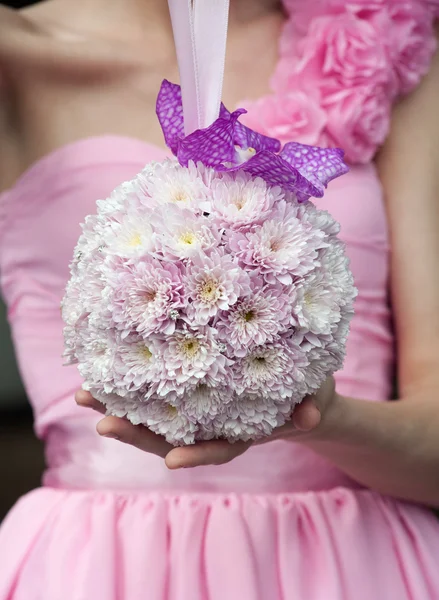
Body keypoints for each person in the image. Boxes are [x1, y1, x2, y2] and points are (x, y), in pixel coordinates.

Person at [1, 0, 439, 598]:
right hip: (100, 566)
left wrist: (320, 419)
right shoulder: (19, 51)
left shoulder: (383, 43)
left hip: (351, 565)